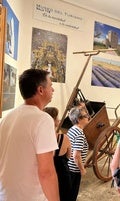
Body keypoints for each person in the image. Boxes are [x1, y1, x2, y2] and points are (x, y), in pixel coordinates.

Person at [0, 69, 60, 201]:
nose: (53, 90)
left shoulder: (6, 118)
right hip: (29, 196)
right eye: (51, 85)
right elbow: (46, 173)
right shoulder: (43, 119)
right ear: (40, 90)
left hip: (5, 194)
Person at [44, 107, 72, 201]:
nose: (59, 120)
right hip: (62, 175)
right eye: (57, 118)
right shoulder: (64, 138)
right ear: (54, 121)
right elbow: (69, 156)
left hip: (46, 176)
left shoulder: (40, 139)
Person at [67, 106, 90, 201]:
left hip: (68, 167)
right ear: (79, 119)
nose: (88, 117)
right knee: (72, 195)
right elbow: (76, 156)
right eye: (86, 116)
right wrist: (82, 169)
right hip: (74, 170)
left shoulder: (72, 129)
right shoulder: (80, 133)